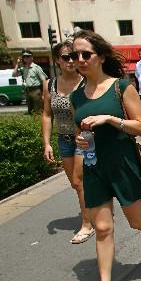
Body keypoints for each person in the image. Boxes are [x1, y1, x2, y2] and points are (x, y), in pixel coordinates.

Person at [71, 30, 141, 281]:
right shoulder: (77, 96)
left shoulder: (121, 87)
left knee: (135, 221)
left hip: (123, 165)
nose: (79, 59)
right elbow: (80, 130)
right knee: (102, 228)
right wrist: (80, 139)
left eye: (85, 54)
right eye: (75, 55)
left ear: (99, 56)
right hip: (94, 167)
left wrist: (111, 119)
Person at [41, 40, 94, 244]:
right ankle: (97, 207)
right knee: (75, 183)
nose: (71, 61)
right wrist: (47, 143)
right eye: (66, 57)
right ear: (57, 60)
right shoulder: (50, 84)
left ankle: (87, 224)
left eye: (74, 56)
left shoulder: (86, 81)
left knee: (80, 182)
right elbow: (46, 115)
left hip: (83, 138)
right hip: (63, 139)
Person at [13, 48, 47, 114]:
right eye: (24, 57)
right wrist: (17, 64)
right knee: (30, 111)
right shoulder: (23, 68)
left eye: (28, 56)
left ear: (32, 58)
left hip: (36, 90)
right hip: (28, 91)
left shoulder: (36, 68)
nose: (26, 58)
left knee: (38, 110)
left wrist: (44, 94)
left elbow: (44, 80)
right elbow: (14, 74)